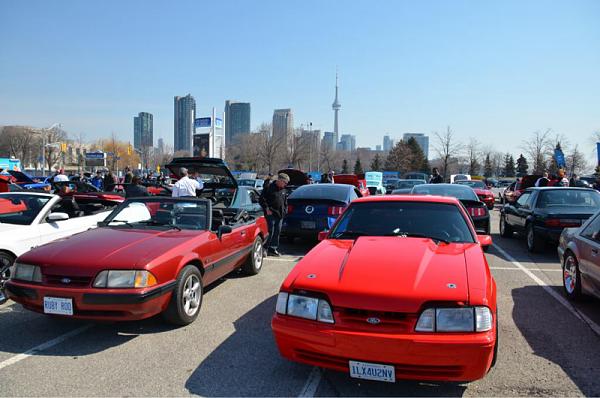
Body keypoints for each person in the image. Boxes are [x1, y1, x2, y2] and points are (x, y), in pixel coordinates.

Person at [259, 173, 289, 257]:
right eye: (284, 182)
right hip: (270, 214)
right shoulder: (269, 187)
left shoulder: (284, 190)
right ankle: (265, 248)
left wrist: (285, 210)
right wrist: (266, 208)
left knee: (277, 232)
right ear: (279, 180)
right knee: (270, 232)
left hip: (280, 215)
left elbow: (285, 202)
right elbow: (261, 199)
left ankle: (273, 249)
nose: (285, 184)